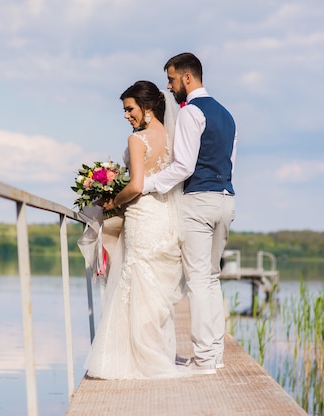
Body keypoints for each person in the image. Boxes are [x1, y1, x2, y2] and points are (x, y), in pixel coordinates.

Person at [83, 80, 187, 379]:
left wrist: (112, 201)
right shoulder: (171, 135)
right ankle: (154, 352)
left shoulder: (137, 140)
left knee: (136, 280)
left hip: (143, 215)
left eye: (130, 109)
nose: (126, 115)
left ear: (148, 107)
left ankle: (133, 359)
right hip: (166, 215)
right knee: (153, 288)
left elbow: (137, 186)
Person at [142, 52, 237, 375]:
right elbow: (230, 163)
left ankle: (202, 360)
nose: (169, 87)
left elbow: (183, 166)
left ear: (187, 77)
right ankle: (216, 353)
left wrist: (147, 185)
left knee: (198, 280)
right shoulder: (227, 115)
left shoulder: (190, 112)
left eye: (171, 79)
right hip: (226, 199)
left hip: (199, 200)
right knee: (211, 278)